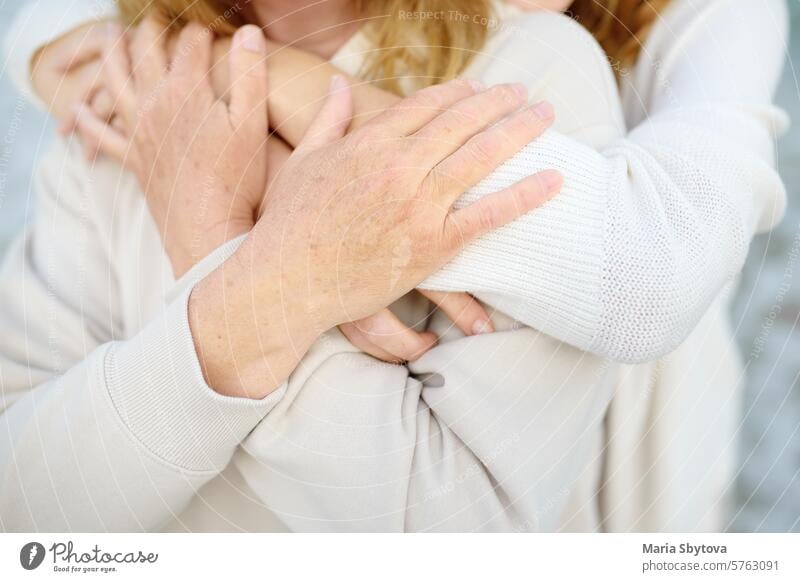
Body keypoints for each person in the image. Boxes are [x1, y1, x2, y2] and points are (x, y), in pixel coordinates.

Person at [1, 0, 789, 531]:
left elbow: (647, 273)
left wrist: (233, 232)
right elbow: (23, 502)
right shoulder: (139, 97)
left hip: (629, 396)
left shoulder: (559, 69)